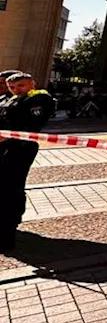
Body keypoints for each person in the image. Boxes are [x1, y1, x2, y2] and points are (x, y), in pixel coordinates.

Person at [0, 71, 54, 250]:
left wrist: (8, 135)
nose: (16, 90)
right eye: (12, 87)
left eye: (20, 86)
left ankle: (8, 232)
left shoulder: (39, 99)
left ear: (32, 84)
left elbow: (32, 125)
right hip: (4, 147)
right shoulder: (8, 99)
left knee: (11, 188)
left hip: (20, 148)